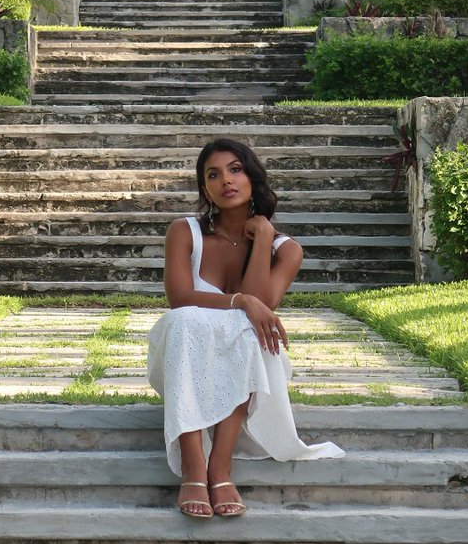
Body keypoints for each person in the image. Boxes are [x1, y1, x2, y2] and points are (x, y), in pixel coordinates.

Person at [147, 137, 344, 519]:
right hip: (184, 352)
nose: (226, 181)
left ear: (252, 177)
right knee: (188, 320)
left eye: (235, 170)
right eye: (214, 175)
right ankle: (193, 465)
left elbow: (261, 305)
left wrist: (264, 238)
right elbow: (180, 299)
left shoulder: (286, 249)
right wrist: (241, 301)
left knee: (246, 328)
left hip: (254, 361)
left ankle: (220, 468)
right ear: (204, 188)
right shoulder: (184, 232)